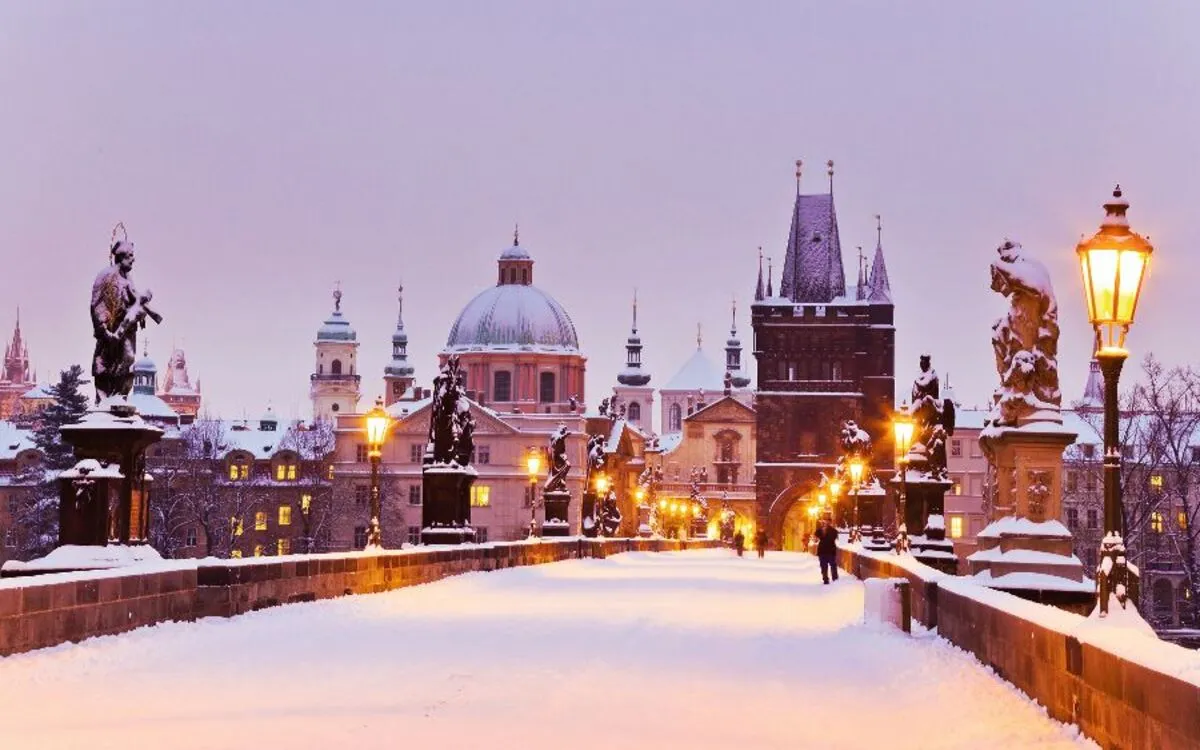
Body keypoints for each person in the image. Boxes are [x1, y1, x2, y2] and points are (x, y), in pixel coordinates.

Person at [814, 517, 839, 584]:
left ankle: (835, 578)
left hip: (830, 550)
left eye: (828, 522)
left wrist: (825, 532)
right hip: (822, 551)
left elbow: (833, 537)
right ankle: (825, 579)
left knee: (833, 565)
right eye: (825, 522)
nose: (826, 523)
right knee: (823, 566)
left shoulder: (833, 531)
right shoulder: (820, 530)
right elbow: (816, 536)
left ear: (830, 523)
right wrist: (822, 530)